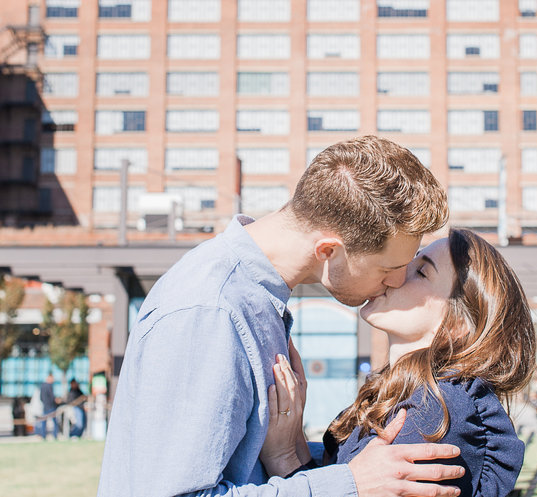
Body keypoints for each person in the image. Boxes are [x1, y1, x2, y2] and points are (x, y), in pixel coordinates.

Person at [98, 136, 464, 497]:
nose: (397, 281)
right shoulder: (211, 311)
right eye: (391, 266)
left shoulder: (250, 298)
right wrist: (349, 485)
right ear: (329, 251)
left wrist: (312, 457)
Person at [260, 229, 537, 497]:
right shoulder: (415, 396)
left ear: (456, 324)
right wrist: (294, 442)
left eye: (421, 271)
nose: (397, 273)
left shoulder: (440, 409)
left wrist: (283, 458)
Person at [35, 374, 59, 440]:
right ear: (49, 378)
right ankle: (55, 435)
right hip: (51, 406)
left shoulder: (42, 386)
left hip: (45, 406)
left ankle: (43, 436)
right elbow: (52, 397)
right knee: (55, 422)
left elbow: (41, 397)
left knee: (44, 422)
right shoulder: (49, 386)